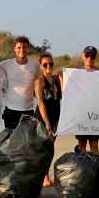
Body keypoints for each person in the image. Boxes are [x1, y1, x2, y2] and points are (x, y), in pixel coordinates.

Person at [0, 36, 39, 130]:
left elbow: (43, 80)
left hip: (28, 111)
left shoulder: (34, 66)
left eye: (24, 47)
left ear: (28, 48)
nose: (22, 50)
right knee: (12, 142)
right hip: (11, 111)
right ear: (15, 49)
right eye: (19, 47)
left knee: (27, 142)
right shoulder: (6, 64)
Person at [35, 52, 61, 186]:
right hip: (43, 117)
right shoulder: (39, 81)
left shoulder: (57, 79)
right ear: (40, 66)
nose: (48, 66)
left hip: (56, 116)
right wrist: (47, 123)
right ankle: (43, 177)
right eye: (45, 64)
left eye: (50, 64)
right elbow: (40, 103)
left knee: (50, 147)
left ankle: (45, 174)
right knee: (43, 147)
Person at [76, 45, 99, 154]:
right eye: (87, 55)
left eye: (92, 56)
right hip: (81, 114)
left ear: (95, 57)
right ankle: (82, 168)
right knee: (81, 144)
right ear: (83, 56)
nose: (89, 58)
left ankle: (96, 168)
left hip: (96, 114)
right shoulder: (75, 73)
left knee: (94, 144)